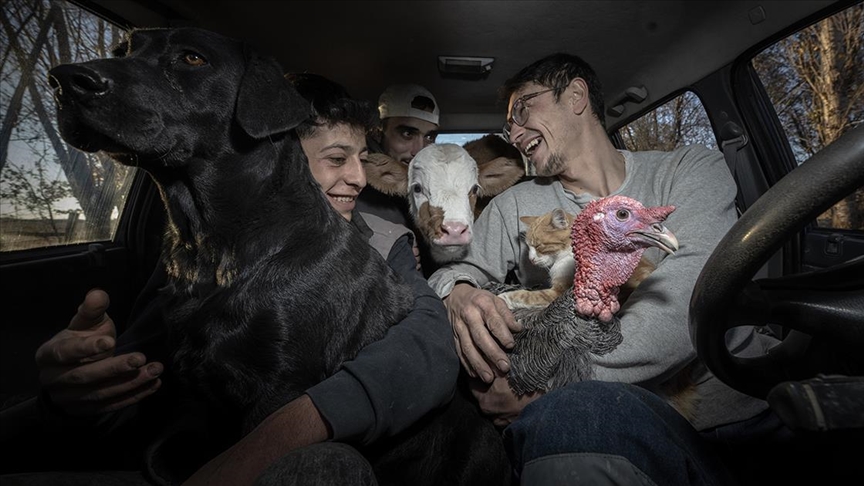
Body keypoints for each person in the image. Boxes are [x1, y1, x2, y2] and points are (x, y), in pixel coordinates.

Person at [4, 74, 459, 486]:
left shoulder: (384, 240)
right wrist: (66, 400)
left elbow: (426, 333)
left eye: (362, 158)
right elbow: (135, 380)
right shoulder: (199, 252)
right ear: (284, 162)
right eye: (337, 159)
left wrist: (293, 428)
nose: (358, 178)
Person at [428, 52, 784, 485]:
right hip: (604, 426)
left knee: (572, 410)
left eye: (522, 110)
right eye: (509, 125)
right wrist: (458, 294)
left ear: (576, 95)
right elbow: (452, 272)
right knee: (573, 418)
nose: (514, 133)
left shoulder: (688, 168)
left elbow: (691, 295)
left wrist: (544, 383)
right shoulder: (514, 206)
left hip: (738, 419)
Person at [356, 83, 440, 229]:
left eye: (429, 137)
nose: (419, 151)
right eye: (407, 134)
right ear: (377, 133)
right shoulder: (361, 191)